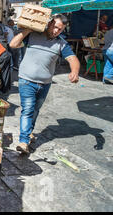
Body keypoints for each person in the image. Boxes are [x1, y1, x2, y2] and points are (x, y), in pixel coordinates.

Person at [9, 14, 80, 154]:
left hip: (45, 84)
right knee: (28, 109)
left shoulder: (61, 43)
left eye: (60, 29)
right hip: (26, 80)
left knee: (35, 109)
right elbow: (13, 44)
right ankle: (23, 141)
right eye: (55, 27)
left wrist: (75, 71)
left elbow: (73, 59)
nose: (56, 31)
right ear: (49, 24)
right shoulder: (33, 36)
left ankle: (29, 132)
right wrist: (27, 30)